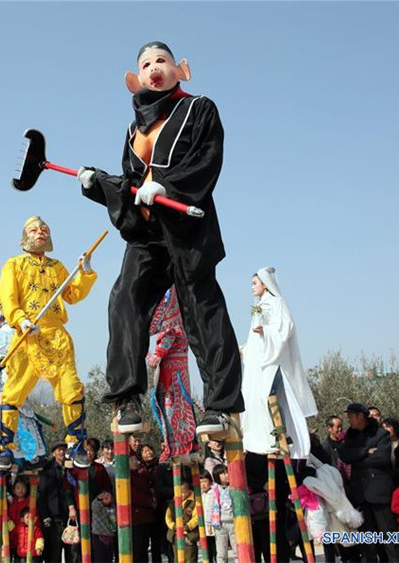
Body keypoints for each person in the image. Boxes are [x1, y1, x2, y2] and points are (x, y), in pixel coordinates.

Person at [78, 41, 243, 436]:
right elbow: (131, 185)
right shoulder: (133, 128)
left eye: (162, 61)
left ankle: (220, 406)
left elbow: (208, 160)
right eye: (146, 63)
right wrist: (98, 184)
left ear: (180, 68)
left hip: (188, 230)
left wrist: (169, 185)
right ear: (134, 79)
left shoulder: (200, 108)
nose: (154, 67)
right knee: (124, 299)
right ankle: (127, 399)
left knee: (202, 311)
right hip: (148, 235)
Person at [0, 216, 97, 470]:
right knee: (13, 391)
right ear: (24, 236)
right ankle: (4, 448)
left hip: (55, 336)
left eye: (44, 230)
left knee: (71, 387)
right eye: (34, 229)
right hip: (26, 335)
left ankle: (75, 444)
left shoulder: (57, 266)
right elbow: (7, 299)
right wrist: (20, 320)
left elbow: (72, 295)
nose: (40, 232)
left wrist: (84, 273)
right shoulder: (13, 265)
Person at [241, 267, 317, 459]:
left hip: (273, 360)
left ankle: (281, 434)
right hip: (261, 360)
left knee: (269, 395)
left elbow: (286, 326)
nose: (252, 287)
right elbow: (255, 339)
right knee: (258, 397)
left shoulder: (276, 302)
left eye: (254, 283)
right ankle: (269, 436)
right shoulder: (260, 306)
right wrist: (245, 348)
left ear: (265, 284)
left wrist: (266, 332)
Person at [338, 402, 399, 562]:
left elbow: (382, 458)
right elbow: (344, 455)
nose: (349, 420)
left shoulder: (381, 434)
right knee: (368, 540)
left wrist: (358, 457)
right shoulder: (350, 436)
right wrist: (366, 452)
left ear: (361, 416)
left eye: (351, 416)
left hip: (379, 492)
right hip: (360, 492)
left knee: (389, 535)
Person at [146, 287, 200, 461]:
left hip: (173, 371)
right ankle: (182, 446)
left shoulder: (171, 303)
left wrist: (157, 354)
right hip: (174, 369)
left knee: (172, 406)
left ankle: (179, 448)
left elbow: (169, 334)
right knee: (174, 405)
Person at [37, 443, 73, 563]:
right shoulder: (47, 470)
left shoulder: (71, 467)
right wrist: (45, 516)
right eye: (59, 450)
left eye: (63, 449)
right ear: (53, 453)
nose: (61, 452)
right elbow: (41, 496)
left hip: (70, 516)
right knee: (54, 553)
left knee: (72, 552)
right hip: (53, 517)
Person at [165, 477, 198, 562]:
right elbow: (167, 517)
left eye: (184, 492)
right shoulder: (172, 503)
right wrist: (173, 526)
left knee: (190, 557)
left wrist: (188, 526)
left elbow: (196, 517)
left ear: (188, 490)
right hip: (175, 535)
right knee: (177, 558)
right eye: (179, 492)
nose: (181, 495)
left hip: (189, 535)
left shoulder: (194, 501)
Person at [209, 465, 236, 563]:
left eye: (227, 472)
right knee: (221, 552)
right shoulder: (215, 490)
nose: (227, 475)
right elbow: (210, 507)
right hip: (219, 523)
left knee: (237, 549)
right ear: (217, 476)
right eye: (223, 473)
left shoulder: (234, 487)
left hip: (234, 522)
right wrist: (209, 523)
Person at [91, 490, 116, 563]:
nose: (107, 498)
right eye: (104, 497)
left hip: (110, 537)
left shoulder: (112, 508)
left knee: (109, 559)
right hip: (99, 536)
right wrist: (99, 498)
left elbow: (114, 520)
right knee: (99, 559)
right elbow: (94, 505)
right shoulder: (98, 507)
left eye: (109, 497)